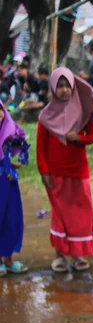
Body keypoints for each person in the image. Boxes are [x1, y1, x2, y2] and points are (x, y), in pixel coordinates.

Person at [37, 68, 93, 273]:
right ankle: (59, 255)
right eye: (59, 86)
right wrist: (44, 172)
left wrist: (79, 138)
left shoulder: (83, 112)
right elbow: (41, 149)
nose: (64, 90)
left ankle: (77, 255)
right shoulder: (45, 116)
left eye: (67, 85)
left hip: (79, 171)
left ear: (72, 87)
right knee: (60, 214)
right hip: (55, 174)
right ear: (53, 88)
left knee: (80, 213)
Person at [0, 100, 30, 276]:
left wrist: (19, 161)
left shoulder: (10, 131)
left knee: (11, 218)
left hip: (9, 181)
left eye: (0, 110)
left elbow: (23, 145)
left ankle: (8, 259)